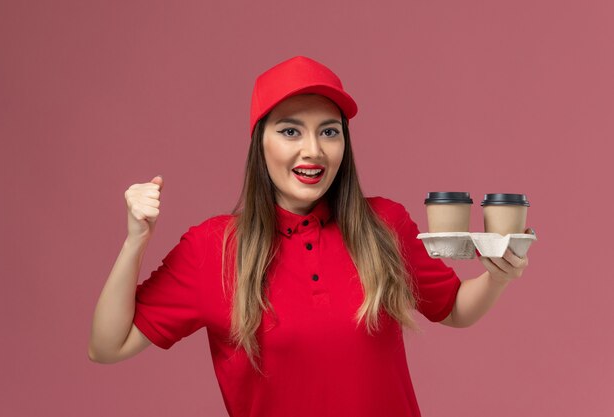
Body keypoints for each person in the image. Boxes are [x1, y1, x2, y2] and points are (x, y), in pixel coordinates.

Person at [88, 56, 532, 417]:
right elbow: (108, 346)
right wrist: (135, 241)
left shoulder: (385, 223)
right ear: (260, 142)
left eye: (329, 132)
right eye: (290, 130)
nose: (313, 150)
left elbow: (452, 308)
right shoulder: (213, 248)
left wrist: (497, 277)